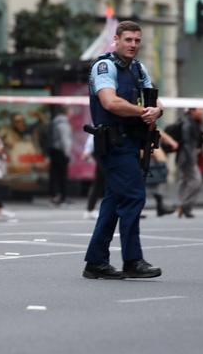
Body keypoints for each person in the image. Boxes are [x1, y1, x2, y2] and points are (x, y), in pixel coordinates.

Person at [82, 20, 164, 280]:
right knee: (133, 197)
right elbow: (110, 102)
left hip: (131, 142)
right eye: (128, 40)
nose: (133, 45)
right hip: (114, 142)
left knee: (114, 201)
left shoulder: (138, 69)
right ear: (115, 40)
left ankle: (96, 263)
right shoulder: (104, 66)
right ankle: (132, 260)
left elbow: (154, 99)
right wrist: (143, 112)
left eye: (137, 41)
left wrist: (158, 110)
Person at [176, 108, 203, 218]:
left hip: (189, 156)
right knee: (196, 181)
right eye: (199, 109)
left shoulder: (196, 123)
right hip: (187, 157)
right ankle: (184, 204)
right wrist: (191, 159)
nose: (202, 112)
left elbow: (201, 139)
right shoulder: (188, 124)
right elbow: (187, 143)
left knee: (185, 181)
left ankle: (185, 207)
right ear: (192, 111)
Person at [48, 105, 72, 205]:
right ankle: (62, 196)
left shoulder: (55, 122)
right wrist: (67, 153)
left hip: (53, 150)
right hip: (61, 152)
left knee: (54, 174)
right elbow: (65, 139)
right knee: (62, 175)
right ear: (66, 112)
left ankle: (54, 195)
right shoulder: (63, 123)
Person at [81, 134, 102, 220]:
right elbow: (93, 133)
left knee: (100, 181)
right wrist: (87, 151)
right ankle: (90, 209)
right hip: (101, 150)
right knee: (103, 180)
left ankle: (90, 209)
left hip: (103, 149)